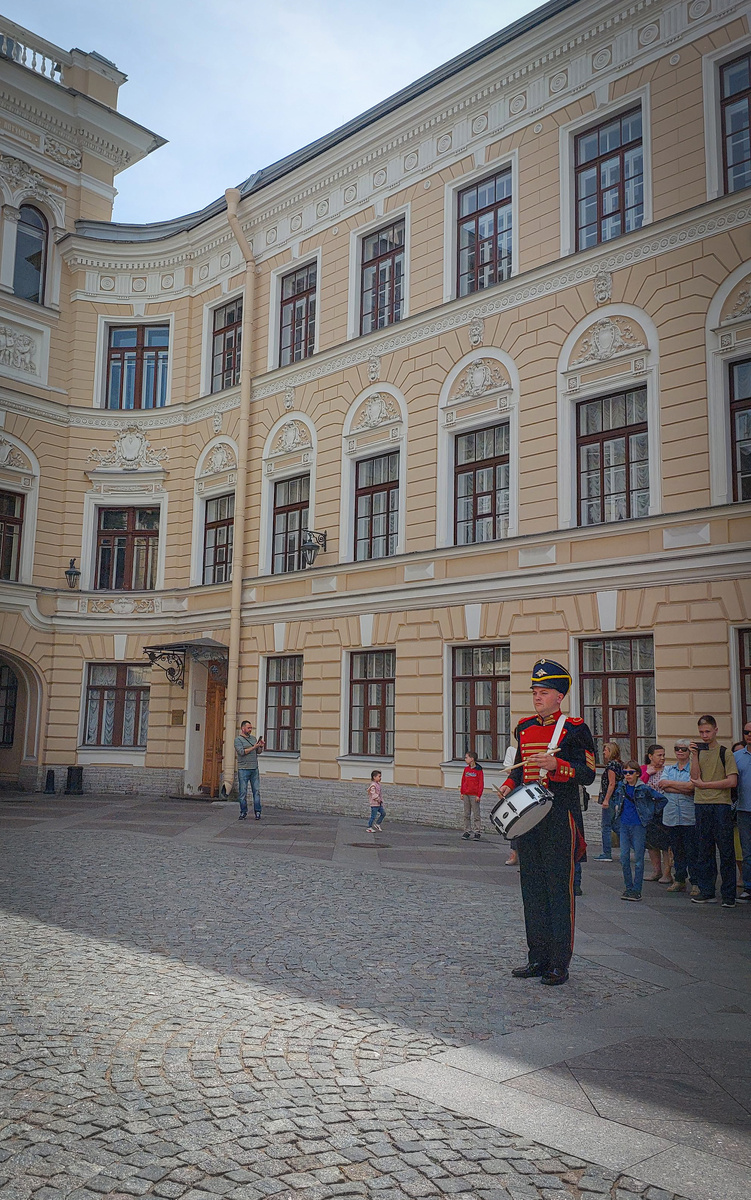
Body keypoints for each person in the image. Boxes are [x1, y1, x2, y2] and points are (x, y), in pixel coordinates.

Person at [496, 658, 596, 987]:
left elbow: (587, 773)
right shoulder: (524, 728)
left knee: (558, 891)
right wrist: (509, 787)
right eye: (535, 691)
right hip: (529, 820)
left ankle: (559, 962)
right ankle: (536, 956)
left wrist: (556, 764)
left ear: (559, 696)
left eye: (544, 691)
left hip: (559, 817)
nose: (537, 696)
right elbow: (519, 771)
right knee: (532, 890)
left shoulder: (575, 729)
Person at [689, 715, 739, 907]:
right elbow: (694, 778)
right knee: (704, 849)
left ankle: (728, 895)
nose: (704, 735)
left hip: (721, 805)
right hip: (701, 804)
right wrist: (694, 755)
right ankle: (707, 890)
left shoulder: (725, 752)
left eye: (708, 731)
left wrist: (706, 785)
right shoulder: (699, 751)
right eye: (701, 732)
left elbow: (732, 781)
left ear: (716, 730)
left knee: (726, 850)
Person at [611, 762, 667, 901]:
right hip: (624, 824)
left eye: (630, 772)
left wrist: (650, 813)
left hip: (638, 825)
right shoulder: (621, 786)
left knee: (638, 859)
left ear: (637, 773)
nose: (627, 775)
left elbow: (662, 800)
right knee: (624, 858)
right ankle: (628, 888)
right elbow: (617, 800)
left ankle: (636, 890)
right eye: (625, 772)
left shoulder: (643, 788)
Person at [657, 740, 697, 893]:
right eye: (677, 749)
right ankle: (679, 879)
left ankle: (695, 882)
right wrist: (682, 788)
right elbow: (662, 784)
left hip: (688, 817)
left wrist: (671, 785)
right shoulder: (668, 768)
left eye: (683, 749)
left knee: (692, 851)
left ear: (689, 752)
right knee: (677, 850)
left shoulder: (692, 769)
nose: (680, 751)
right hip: (672, 816)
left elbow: (691, 787)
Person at [641, 744, 672, 883]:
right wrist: (648, 773)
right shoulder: (644, 769)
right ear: (650, 756)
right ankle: (656, 871)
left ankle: (667, 872)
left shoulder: (668, 770)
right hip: (648, 810)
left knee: (665, 843)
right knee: (651, 843)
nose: (662, 758)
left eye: (664, 755)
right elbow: (638, 785)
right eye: (659, 755)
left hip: (664, 808)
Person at [594, 741, 623, 860]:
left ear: (611, 752)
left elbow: (612, 783)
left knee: (606, 826)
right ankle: (633, 848)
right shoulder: (619, 764)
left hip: (611, 798)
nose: (604, 752)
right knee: (616, 825)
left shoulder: (611, 766)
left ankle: (607, 853)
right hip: (617, 798)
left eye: (605, 750)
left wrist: (606, 800)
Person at [733, 724, 751, 901]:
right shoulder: (736, 757)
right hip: (744, 809)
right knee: (747, 851)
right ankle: (748, 887)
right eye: (746, 732)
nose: (749, 735)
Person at [234, 720, 264, 820]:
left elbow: (258, 752)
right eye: (248, 728)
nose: (250, 730)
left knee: (257, 791)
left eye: (251, 728)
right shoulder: (238, 740)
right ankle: (243, 812)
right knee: (243, 792)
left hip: (254, 768)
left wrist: (260, 746)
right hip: (243, 769)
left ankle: (258, 812)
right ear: (243, 728)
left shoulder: (253, 738)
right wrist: (253, 747)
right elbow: (241, 752)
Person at [460, 750, 484, 840]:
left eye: (467, 757)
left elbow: (481, 783)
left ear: (472, 759)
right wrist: (462, 792)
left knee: (476, 814)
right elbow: (463, 781)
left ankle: (477, 831)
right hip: (466, 794)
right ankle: (467, 831)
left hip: (474, 795)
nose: (465, 759)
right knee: (466, 814)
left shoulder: (479, 770)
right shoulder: (466, 769)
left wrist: (479, 795)